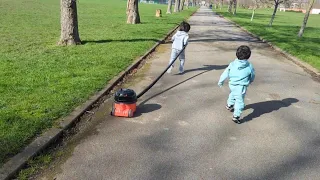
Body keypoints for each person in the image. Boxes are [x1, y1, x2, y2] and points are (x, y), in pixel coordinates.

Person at [218, 45, 255, 124]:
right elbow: (252, 75)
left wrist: (221, 81)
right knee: (239, 102)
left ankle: (229, 104)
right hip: (241, 87)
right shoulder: (249, 66)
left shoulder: (233, 64)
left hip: (232, 84)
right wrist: (251, 80)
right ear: (248, 56)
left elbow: (226, 72)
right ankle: (236, 116)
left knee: (233, 93)